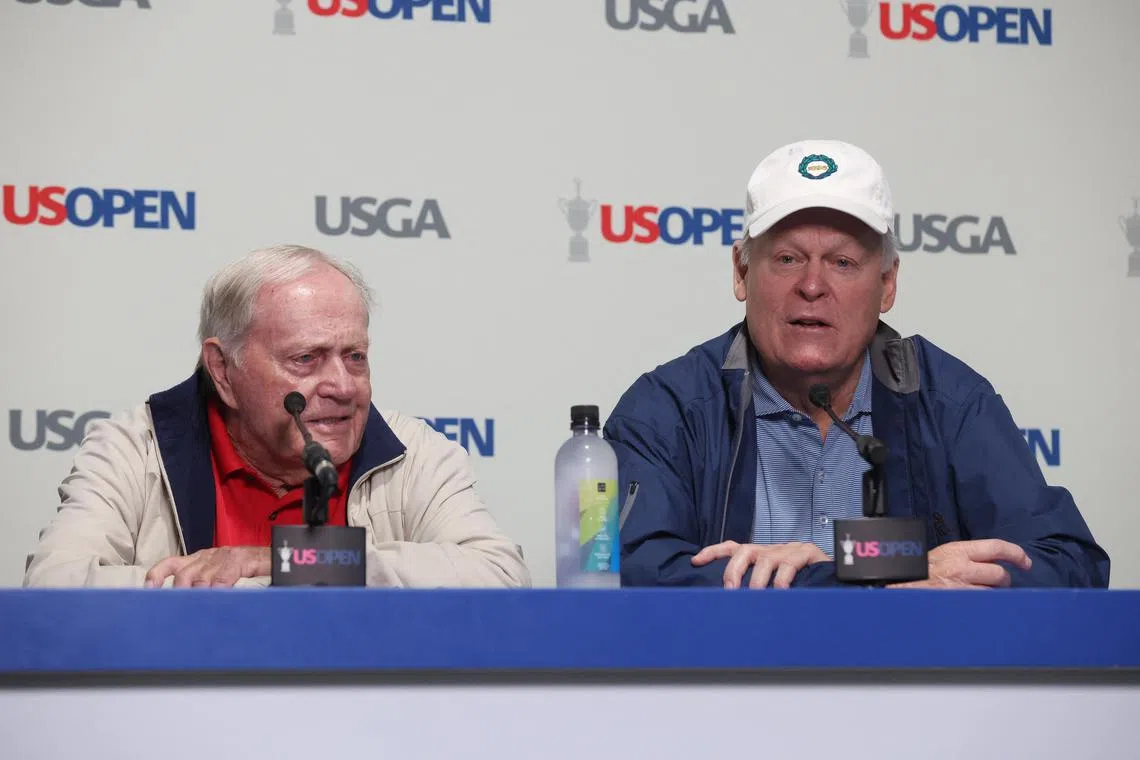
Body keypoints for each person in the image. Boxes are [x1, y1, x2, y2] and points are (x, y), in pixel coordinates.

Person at [604, 139, 1109, 589]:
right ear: (742, 272)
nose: (812, 286)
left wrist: (863, 563)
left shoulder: (946, 401)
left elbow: (1067, 564)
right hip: (732, 666)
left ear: (887, 285)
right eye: (787, 259)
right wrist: (859, 573)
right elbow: (631, 569)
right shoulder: (668, 409)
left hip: (906, 668)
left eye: (843, 263)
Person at [24, 245, 530, 588]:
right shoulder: (136, 449)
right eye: (305, 359)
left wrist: (285, 560)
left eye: (355, 356)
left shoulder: (412, 452)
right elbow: (55, 584)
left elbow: (499, 574)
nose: (342, 386)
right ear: (223, 370)